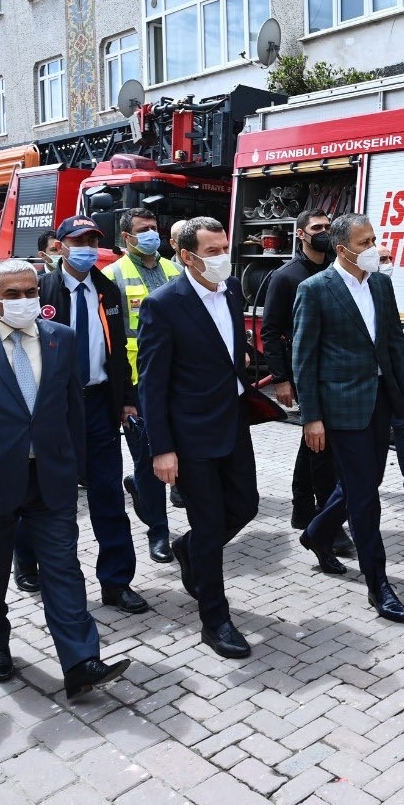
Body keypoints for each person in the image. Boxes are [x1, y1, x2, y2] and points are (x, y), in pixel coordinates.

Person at [0, 259, 132, 699]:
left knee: (63, 568)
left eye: (31, 292)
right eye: (13, 295)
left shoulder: (62, 339)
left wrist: (75, 463)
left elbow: (72, 409)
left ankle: (81, 661)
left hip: (51, 479)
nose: (25, 301)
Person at [292, 213, 404, 623]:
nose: (373, 248)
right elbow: (304, 358)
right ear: (342, 249)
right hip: (341, 408)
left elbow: (392, 344)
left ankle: (316, 533)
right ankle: (378, 583)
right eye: (364, 242)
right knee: (366, 497)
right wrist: (311, 417)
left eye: (374, 239)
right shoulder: (315, 289)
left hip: (380, 403)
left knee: (365, 483)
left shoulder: (381, 285)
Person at [137, 217, 259, 659]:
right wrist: (162, 448)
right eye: (211, 251)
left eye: (224, 247)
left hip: (232, 424)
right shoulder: (163, 304)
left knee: (246, 507)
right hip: (190, 436)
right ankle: (216, 620)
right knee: (209, 526)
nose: (222, 257)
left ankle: (188, 549)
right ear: (186, 256)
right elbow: (151, 385)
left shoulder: (230, 293)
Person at [36, 216, 147, 614]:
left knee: (107, 495)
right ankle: (36, 566)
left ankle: (117, 582)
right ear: (60, 245)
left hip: (100, 404)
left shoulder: (108, 291)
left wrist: (127, 398)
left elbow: (120, 351)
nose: (86, 247)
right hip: (54, 408)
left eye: (93, 240)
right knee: (48, 495)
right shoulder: (41, 291)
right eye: (78, 240)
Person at [105, 208, 181, 563]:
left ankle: (141, 488)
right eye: (143, 230)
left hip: (176, 379)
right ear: (127, 238)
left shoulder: (172, 268)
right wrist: (123, 398)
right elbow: (110, 343)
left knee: (177, 453)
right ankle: (159, 532)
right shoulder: (112, 277)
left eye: (154, 227)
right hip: (137, 385)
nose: (152, 234)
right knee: (150, 459)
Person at [260, 210, 344, 531]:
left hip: (335, 369)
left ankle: (302, 507)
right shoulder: (286, 277)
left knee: (313, 441)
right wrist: (280, 378)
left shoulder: (337, 268)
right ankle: (321, 516)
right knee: (320, 441)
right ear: (300, 234)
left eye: (328, 227)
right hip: (305, 370)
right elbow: (270, 331)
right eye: (317, 227)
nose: (324, 232)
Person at [375, 245, 404, 500]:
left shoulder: (385, 288)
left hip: (393, 377)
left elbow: (396, 342)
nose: (389, 262)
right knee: (377, 435)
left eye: (391, 258)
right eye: (383, 258)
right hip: (373, 381)